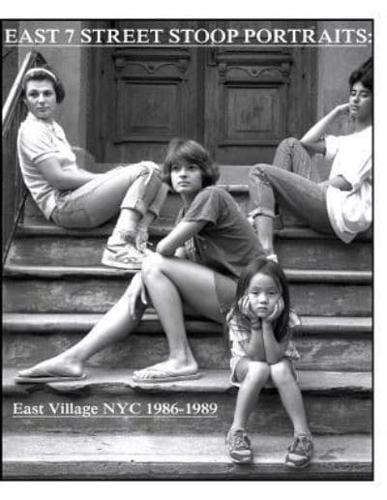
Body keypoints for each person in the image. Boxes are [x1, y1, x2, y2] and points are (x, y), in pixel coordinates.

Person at [16, 138, 265, 384]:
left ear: (205, 172)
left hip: (251, 298)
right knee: (148, 275)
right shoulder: (184, 213)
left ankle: (181, 359)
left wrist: (148, 267)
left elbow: (166, 250)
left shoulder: (212, 196)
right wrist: (143, 276)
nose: (182, 175)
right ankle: (73, 358)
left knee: (153, 265)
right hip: (224, 298)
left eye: (191, 168)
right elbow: (178, 263)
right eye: (176, 169)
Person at [17, 65, 168, 269]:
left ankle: (138, 238)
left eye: (47, 93)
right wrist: (108, 177)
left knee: (161, 177)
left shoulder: (52, 127)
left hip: (77, 198)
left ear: (56, 97)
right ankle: (119, 246)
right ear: (25, 100)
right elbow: (58, 179)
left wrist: (111, 178)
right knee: (146, 170)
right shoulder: (33, 131)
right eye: (33, 94)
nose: (41, 100)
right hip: (63, 206)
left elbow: (75, 174)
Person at [248, 57, 372, 260]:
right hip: (327, 200)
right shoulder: (350, 139)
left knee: (260, 172)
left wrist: (307, 190)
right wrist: (335, 112)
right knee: (289, 144)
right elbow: (304, 143)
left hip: (339, 211)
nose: (355, 100)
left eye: (364, 95)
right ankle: (274, 217)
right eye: (352, 94)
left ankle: (266, 252)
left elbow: (347, 182)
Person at [225, 258, 313, 468]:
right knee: (258, 368)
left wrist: (267, 325)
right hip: (247, 365)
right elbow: (256, 357)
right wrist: (255, 324)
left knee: (280, 367)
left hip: (278, 365)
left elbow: (274, 357)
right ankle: (236, 431)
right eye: (255, 293)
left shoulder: (287, 316)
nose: (263, 300)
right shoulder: (237, 317)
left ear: (281, 295)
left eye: (271, 293)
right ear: (244, 295)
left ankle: (303, 435)